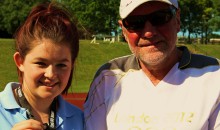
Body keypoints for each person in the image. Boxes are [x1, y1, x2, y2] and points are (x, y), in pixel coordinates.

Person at [84, 0, 220, 130]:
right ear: (123, 30)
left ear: (177, 20)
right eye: (135, 23)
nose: (149, 32)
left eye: (160, 18)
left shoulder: (214, 75)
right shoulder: (107, 78)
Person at [0, 2, 84, 130]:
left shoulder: (80, 119)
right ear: (20, 61)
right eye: (41, 63)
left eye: (61, 65)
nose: (51, 74)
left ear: (72, 64)